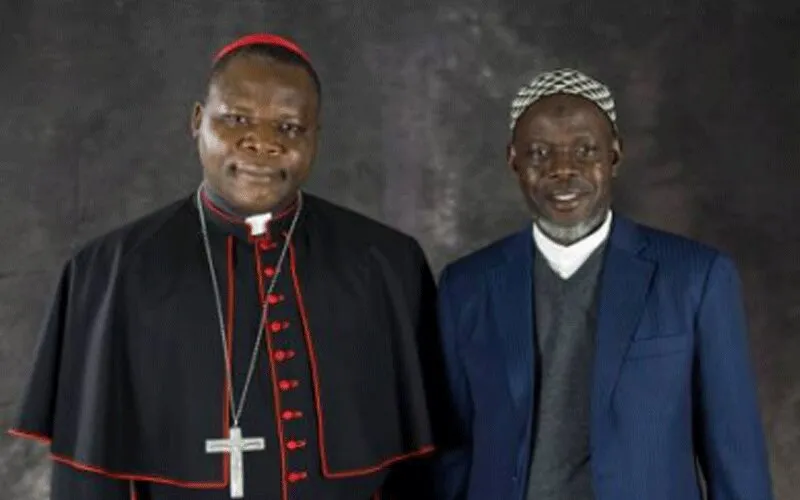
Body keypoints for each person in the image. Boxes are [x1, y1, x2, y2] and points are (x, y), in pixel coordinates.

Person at [9, 33, 449, 500]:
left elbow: (419, 471)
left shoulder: (387, 264)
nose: (262, 143)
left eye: (290, 127)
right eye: (237, 119)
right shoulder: (108, 274)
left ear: (316, 137)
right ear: (198, 122)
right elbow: (87, 478)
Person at [433, 68, 773, 499]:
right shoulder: (466, 286)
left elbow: (735, 456)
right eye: (538, 153)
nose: (562, 170)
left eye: (584, 150)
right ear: (512, 160)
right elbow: (453, 453)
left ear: (614, 155)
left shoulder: (695, 278)